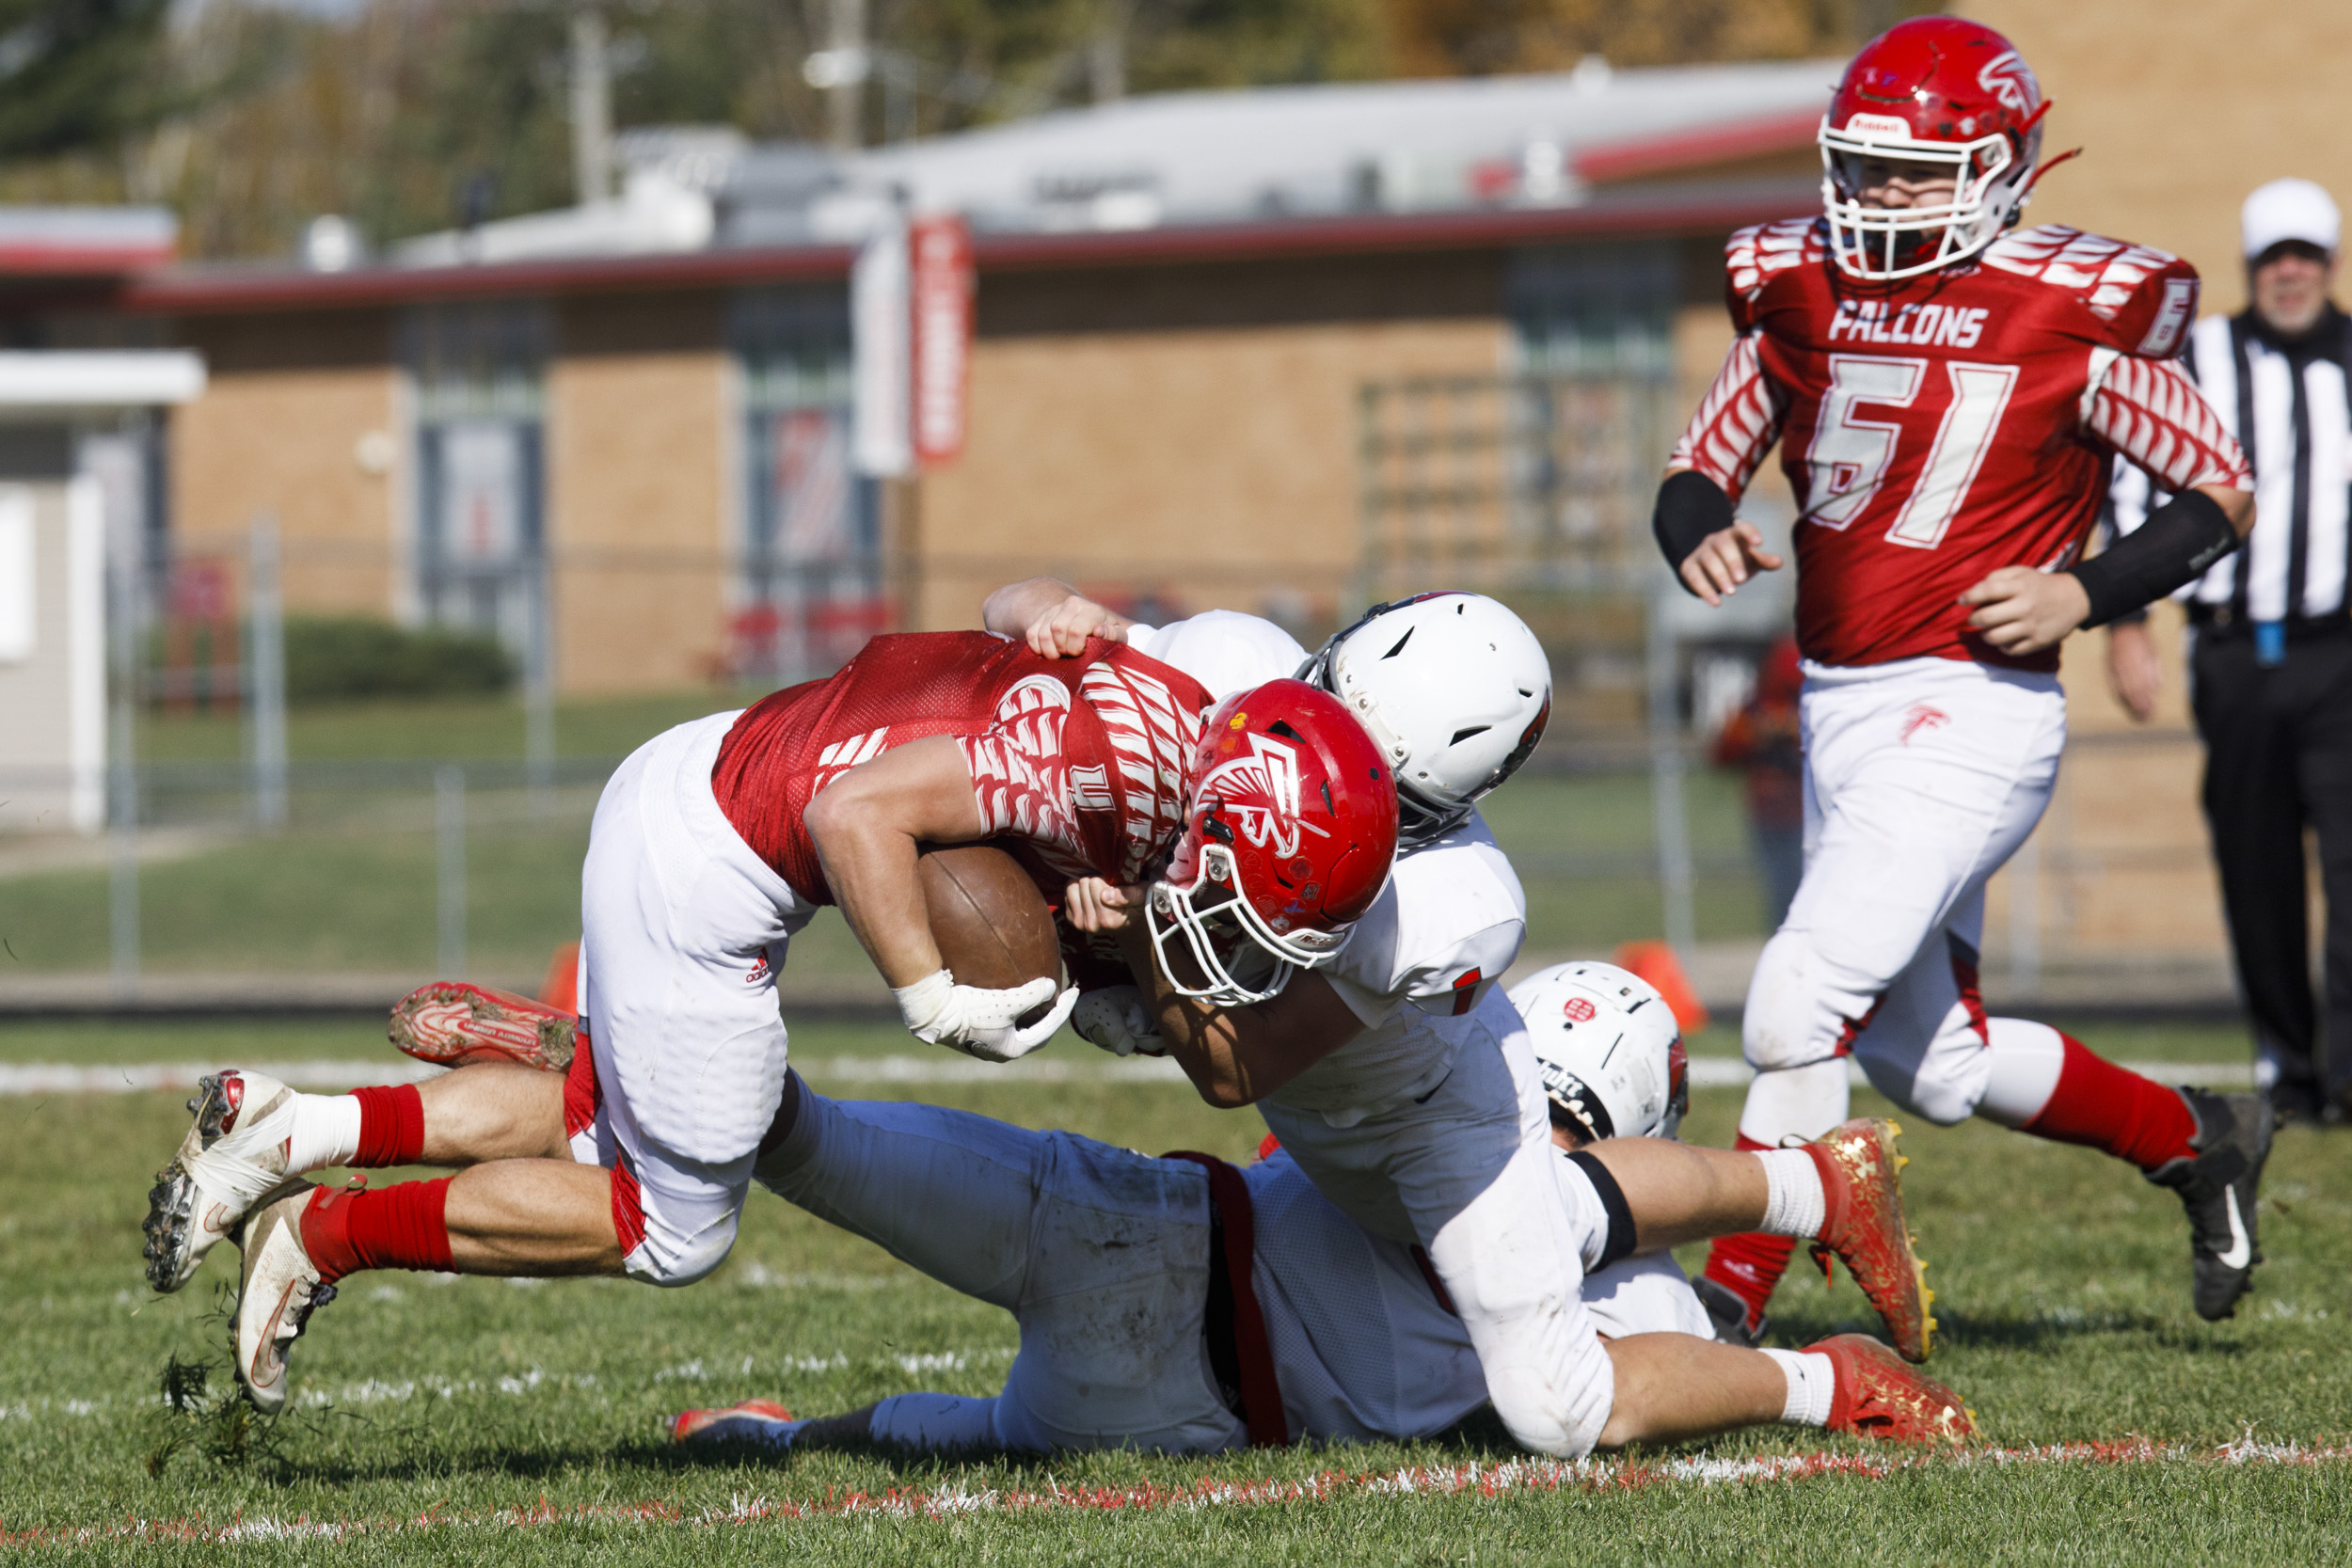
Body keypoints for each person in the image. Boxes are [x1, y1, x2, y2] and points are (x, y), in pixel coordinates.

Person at [139, 628, 1396, 1413]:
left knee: (624, 1120)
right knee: (665, 1221)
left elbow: (1015, 632)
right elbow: (858, 815)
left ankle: (296, 1129)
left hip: (699, 773)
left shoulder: (1169, 701)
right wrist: (933, 991)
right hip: (715, 869)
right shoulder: (1096, 765)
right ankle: (324, 1235)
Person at [993, 584, 1936, 1464]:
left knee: (1559, 1408)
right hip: (1320, 1115)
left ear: (1433, 810)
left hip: (1431, 1121)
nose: (1319, 774)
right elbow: (1003, 615)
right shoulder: (1232, 657)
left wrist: (1144, 945)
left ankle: (1828, 1379)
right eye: (1321, 709)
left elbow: (1234, 1070)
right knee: (1565, 1208)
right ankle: (1818, 1180)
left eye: (1372, 781)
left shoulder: (1451, 902)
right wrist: (1056, 619)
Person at [1650, 14, 2275, 1342]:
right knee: (1927, 1061)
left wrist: (2086, 592)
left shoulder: (2069, 305)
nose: (1881, 197)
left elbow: (2223, 486)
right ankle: (2201, 1136)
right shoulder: (1799, 283)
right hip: (1838, 701)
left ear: (2001, 167)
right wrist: (1698, 528)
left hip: (1974, 708)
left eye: (1916, 173)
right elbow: (1700, 458)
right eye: (1864, 167)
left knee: (1799, 995)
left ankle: (1726, 1312)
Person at [670, 962, 1969, 1456]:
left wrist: (1788, 1373)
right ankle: (641, 1055)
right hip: (1156, 1234)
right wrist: (1804, 1377)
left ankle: (777, 1438)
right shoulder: (1498, 1138)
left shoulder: (1625, 1273)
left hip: (1180, 1402)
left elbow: (1620, 1388)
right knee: (797, 1138)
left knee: (961, 1431)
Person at [2106, 179, 2352, 1126]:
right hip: (2234, 651)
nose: (2289, 272)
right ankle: (2288, 1070)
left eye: (2306, 255)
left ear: (2327, 263)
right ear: (2252, 267)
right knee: (2257, 870)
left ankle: (2347, 1073)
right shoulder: (2197, 357)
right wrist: (2127, 622)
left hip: (2342, 655)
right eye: (2271, 257)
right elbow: (2133, 485)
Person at [1712, 636, 1806, 929]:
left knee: (1808, 894)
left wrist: (1791, 731)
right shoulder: (1755, 709)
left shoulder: (1810, 704)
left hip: (1807, 815)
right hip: (1767, 813)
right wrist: (1758, 735)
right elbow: (1723, 752)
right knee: (1782, 896)